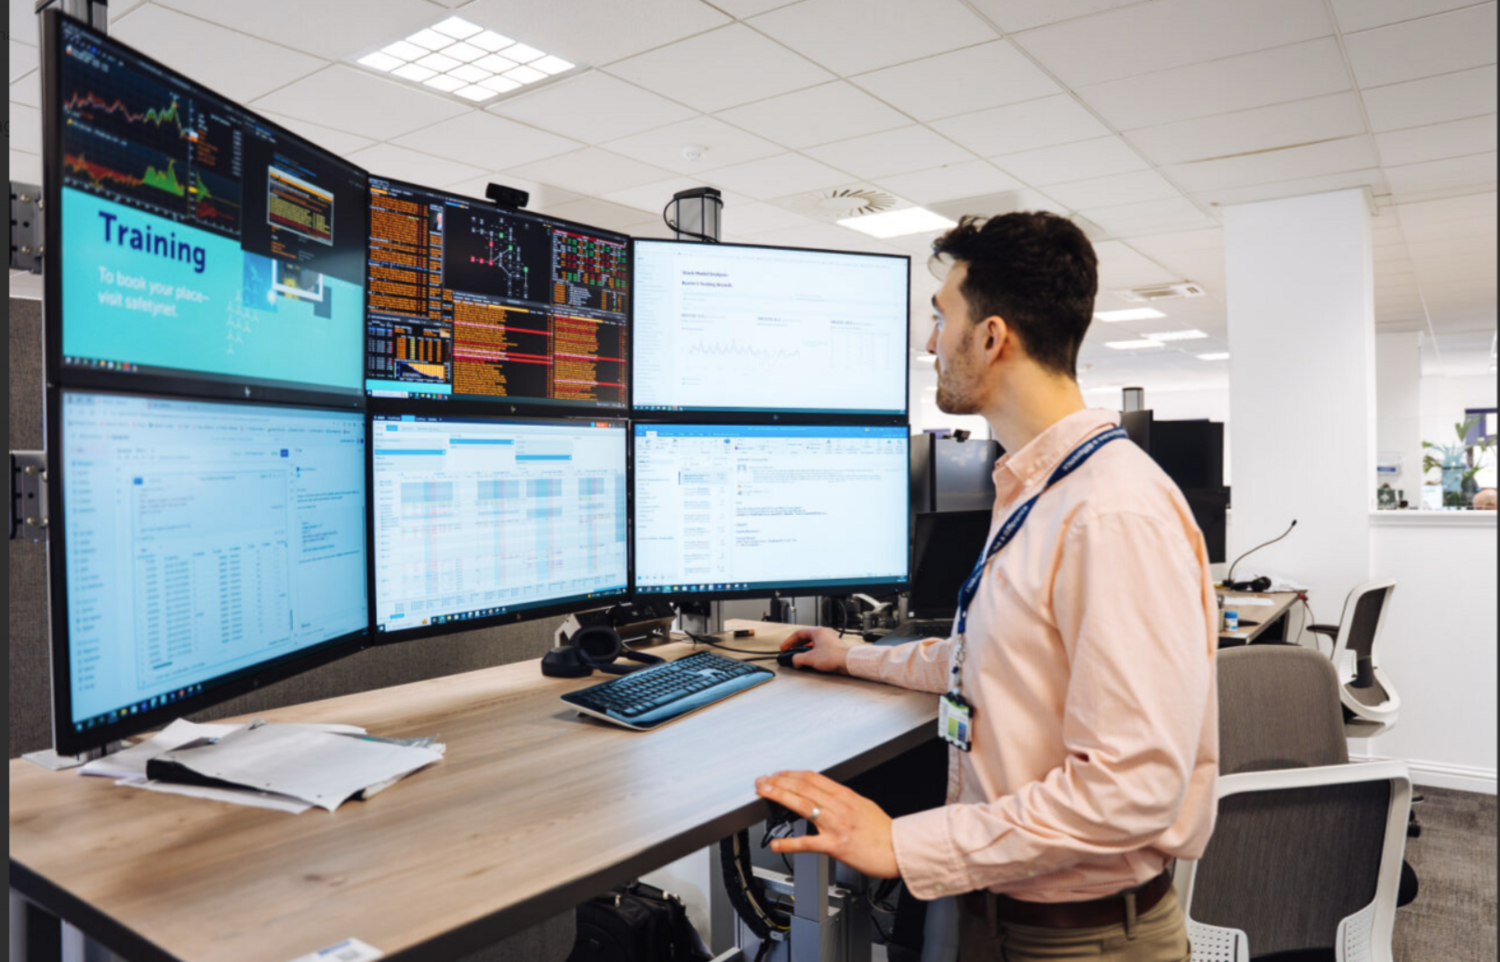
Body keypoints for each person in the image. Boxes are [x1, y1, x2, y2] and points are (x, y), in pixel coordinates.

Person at [756, 213, 1218, 962]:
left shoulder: (1111, 513)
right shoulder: (1042, 490)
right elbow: (994, 659)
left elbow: (1130, 789)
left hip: (1080, 940)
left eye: (942, 319)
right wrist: (855, 657)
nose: (931, 343)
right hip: (1006, 916)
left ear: (992, 337)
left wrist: (903, 842)